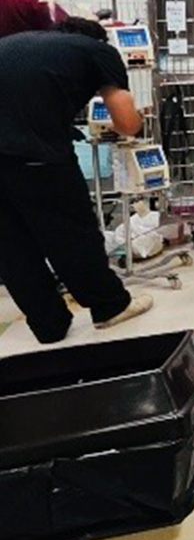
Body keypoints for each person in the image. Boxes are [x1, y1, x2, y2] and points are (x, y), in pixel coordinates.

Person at [0, 18, 154, 342]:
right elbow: (127, 123)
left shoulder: (18, 43)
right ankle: (110, 306)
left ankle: (48, 325)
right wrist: (141, 118)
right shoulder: (98, 52)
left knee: (11, 245)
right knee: (70, 232)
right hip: (36, 156)